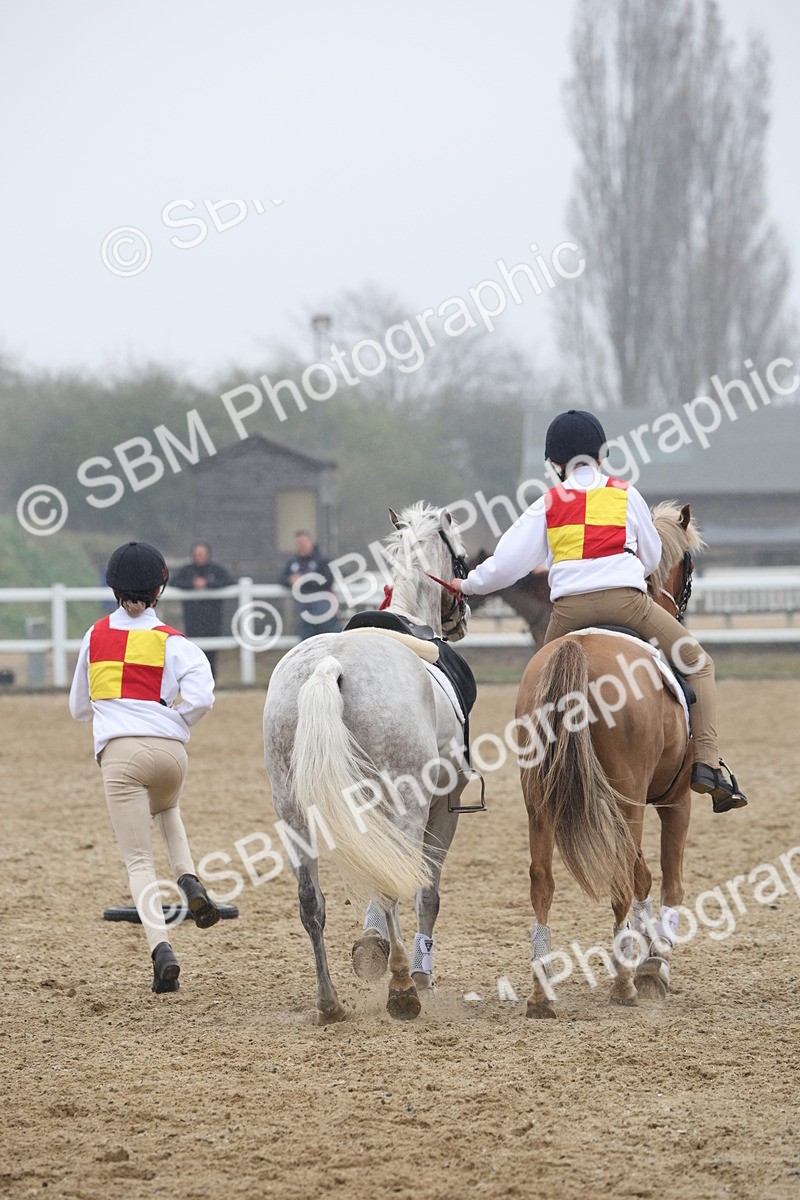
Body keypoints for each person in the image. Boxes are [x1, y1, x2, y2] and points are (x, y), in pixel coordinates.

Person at [450, 409, 747, 814]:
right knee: (698, 662)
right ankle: (708, 765)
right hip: (627, 604)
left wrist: (465, 585)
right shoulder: (627, 494)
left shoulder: (548, 503)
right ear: (601, 456)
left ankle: (540, 773)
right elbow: (653, 556)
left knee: (536, 690)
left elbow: (505, 566)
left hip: (567, 612)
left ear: (556, 464)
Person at [69, 541, 221, 994]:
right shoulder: (175, 642)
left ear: (113, 587)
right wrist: (171, 718)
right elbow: (202, 699)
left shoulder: (95, 637)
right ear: (160, 589)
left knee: (138, 861)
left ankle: (161, 950)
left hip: (121, 756)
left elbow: (79, 708)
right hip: (172, 756)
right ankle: (188, 877)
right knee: (166, 807)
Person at [171, 541, 235, 678]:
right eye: (197, 554)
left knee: (211, 655)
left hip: (213, 619)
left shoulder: (216, 569)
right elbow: (174, 582)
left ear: (208, 555)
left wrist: (208, 584)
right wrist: (192, 584)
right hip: (192, 619)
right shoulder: (187, 570)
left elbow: (230, 581)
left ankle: (212, 683)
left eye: (202, 554)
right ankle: (194, 683)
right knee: (192, 654)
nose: (199, 557)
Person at [280, 530, 340, 639]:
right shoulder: (294, 562)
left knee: (329, 641)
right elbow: (282, 578)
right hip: (305, 611)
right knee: (306, 644)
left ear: (311, 542)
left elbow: (327, 580)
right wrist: (290, 580)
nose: (301, 546)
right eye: (298, 544)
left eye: (303, 543)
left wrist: (303, 581)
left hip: (324, 610)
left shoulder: (322, 560)